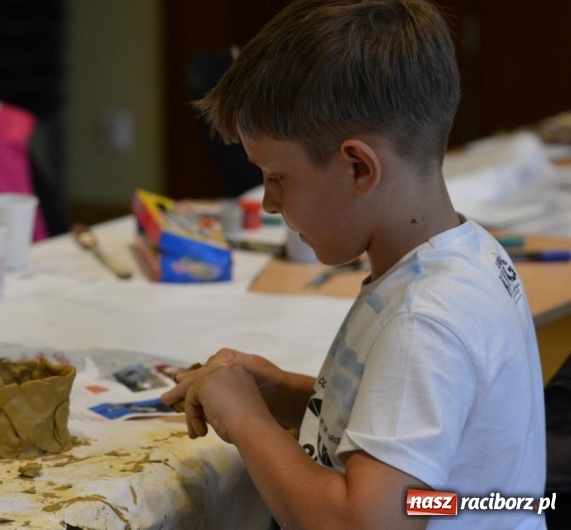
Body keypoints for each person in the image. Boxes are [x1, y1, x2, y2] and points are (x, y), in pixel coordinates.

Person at [160, 1, 547, 529]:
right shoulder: (464, 252)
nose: (269, 204)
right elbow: (417, 426)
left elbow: (366, 523)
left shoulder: (425, 319)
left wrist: (245, 419)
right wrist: (288, 395)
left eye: (277, 178)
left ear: (359, 168)